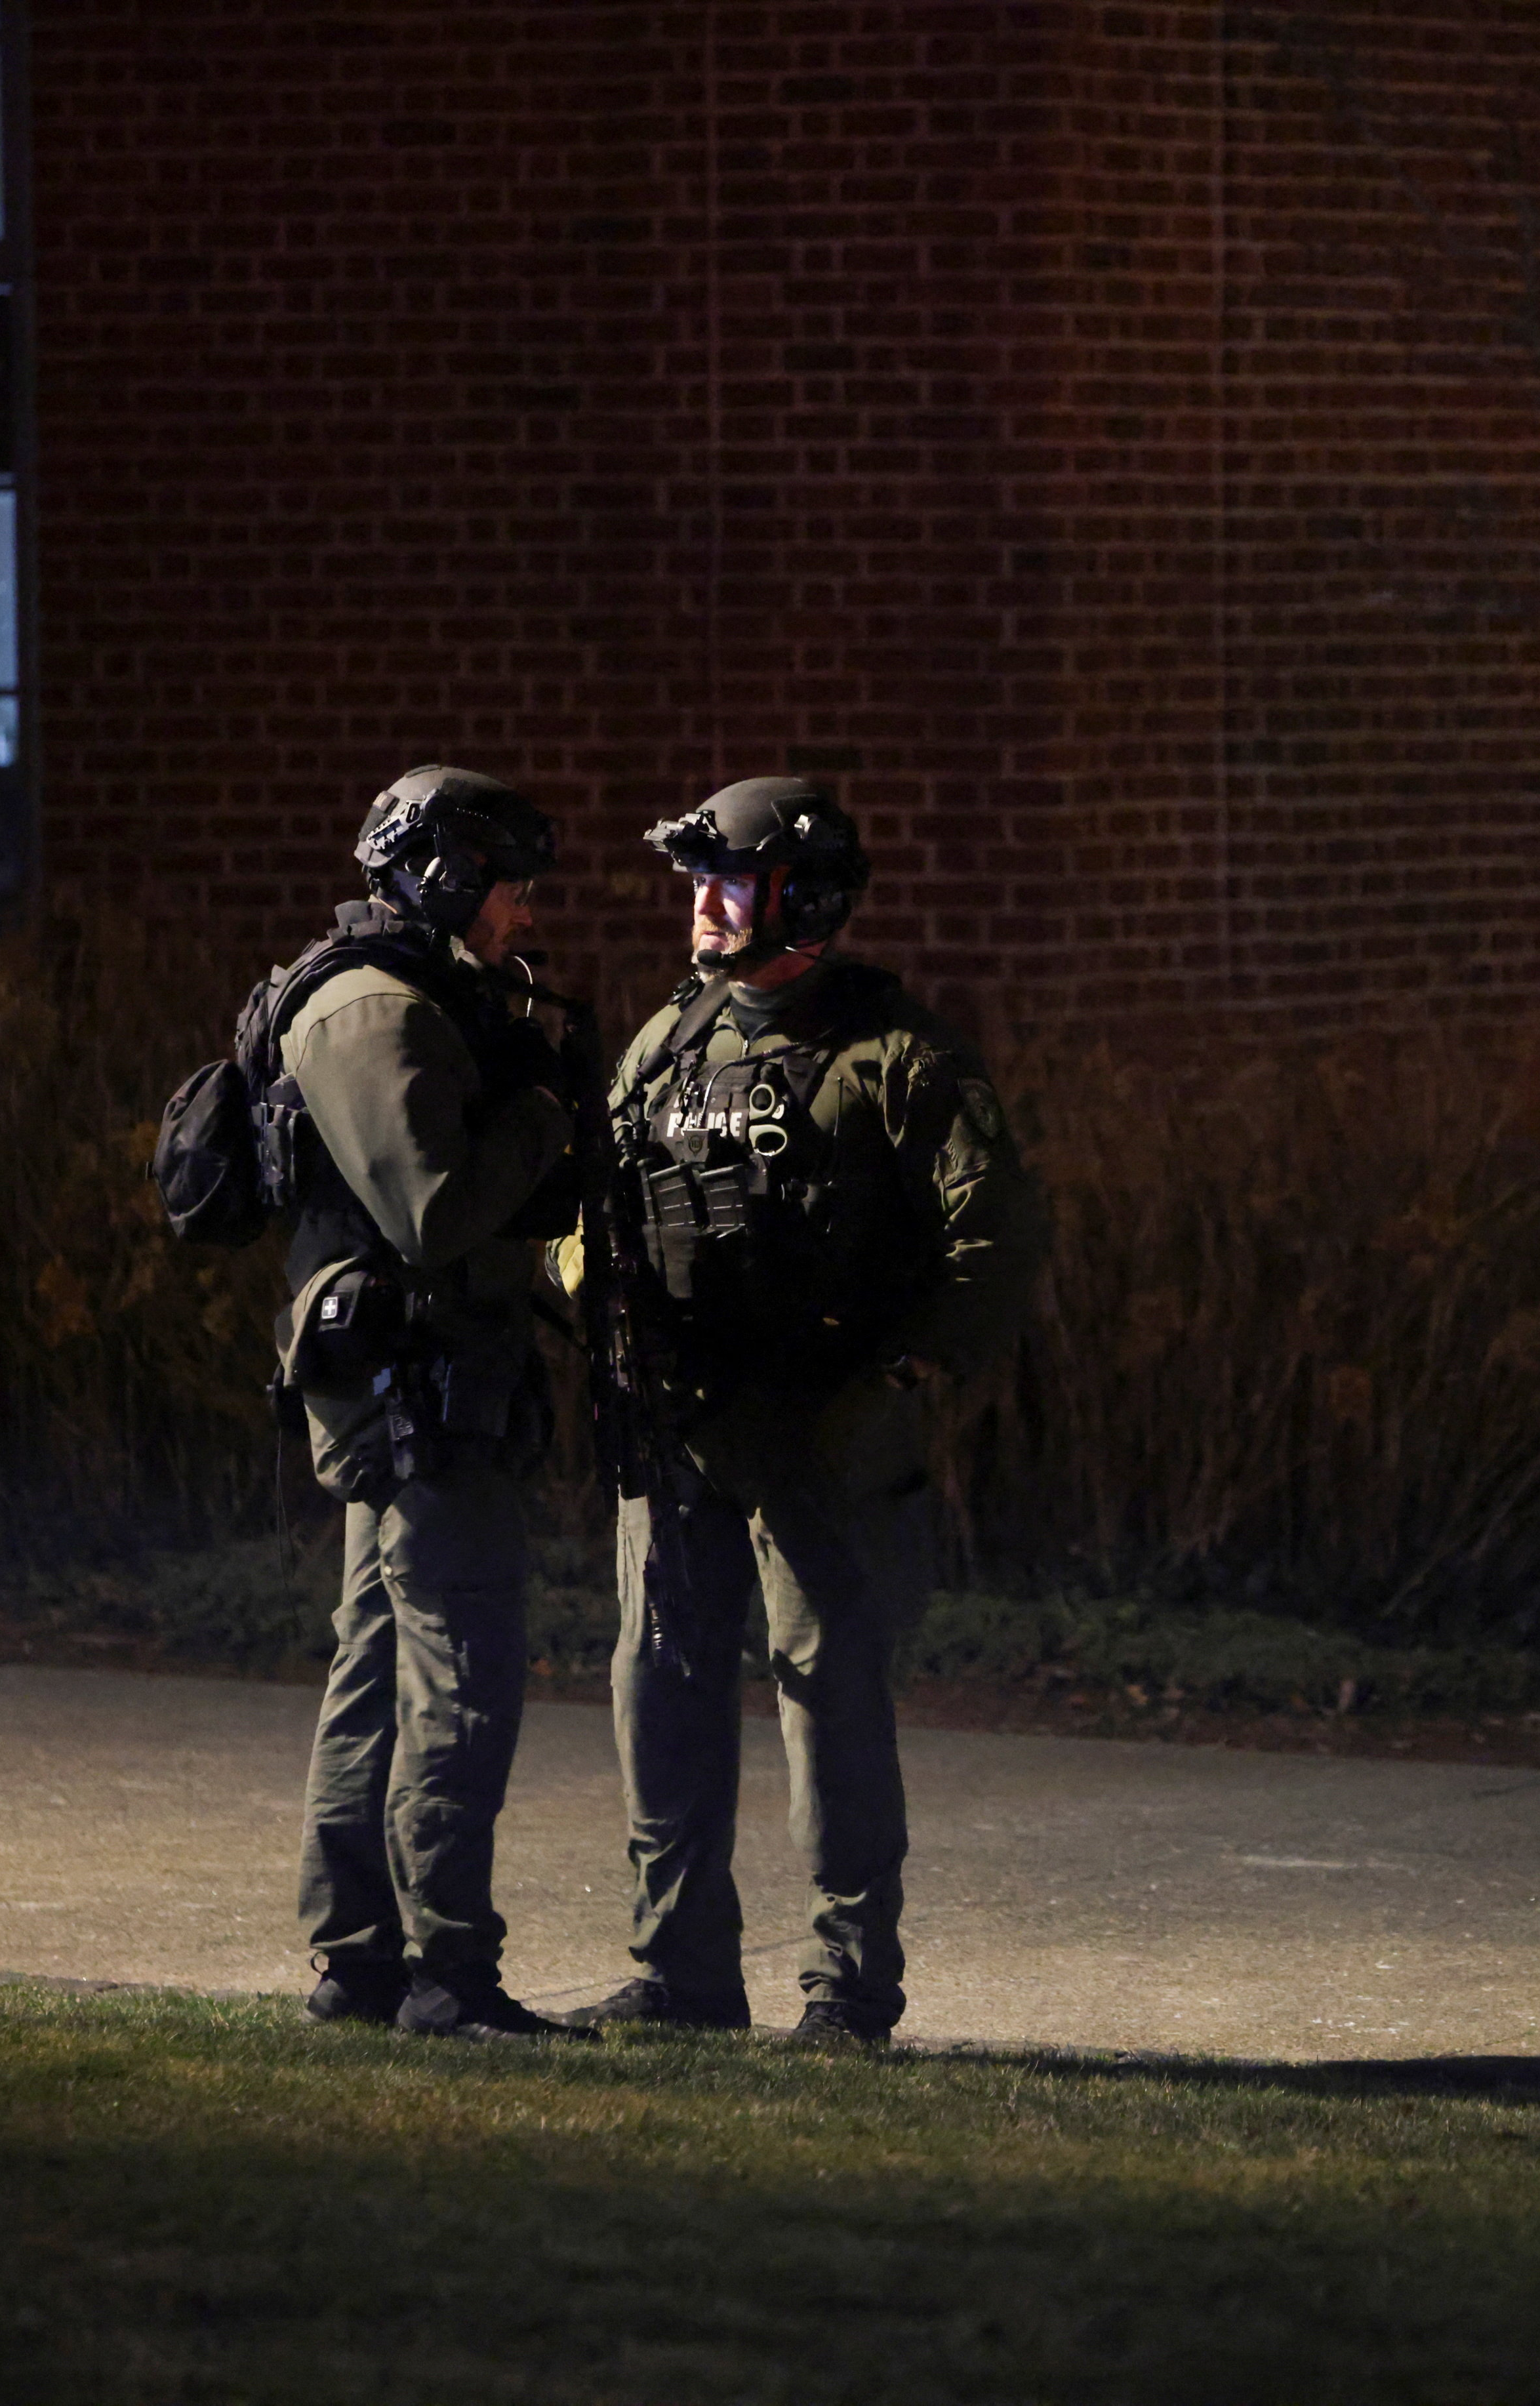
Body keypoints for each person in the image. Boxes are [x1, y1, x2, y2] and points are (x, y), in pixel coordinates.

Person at [561, 778, 1047, 2045]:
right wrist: (586, 1278)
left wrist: (905, 1376)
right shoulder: (667, 1040)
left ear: (806, 898)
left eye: (731, 881)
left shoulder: (895, 1055)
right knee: (658, 1687)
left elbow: (994, 1236)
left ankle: (848, 1985)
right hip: (675, 1428)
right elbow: (587, 1204)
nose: (705, 905)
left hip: (823, 1436)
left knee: (828, 1703)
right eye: (700, 882)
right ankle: (681, 1973)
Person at [274, 765, 589, 2041]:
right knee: (462, 1675)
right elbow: (434, 1212)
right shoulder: (372, 1010)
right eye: (510, 887)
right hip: (417, 1393)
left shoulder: (416, 995)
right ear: (446, 875)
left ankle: (358, 1965)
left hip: (423, 1384)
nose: (526, 913)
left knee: (376, 1666)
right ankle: (448, 1973)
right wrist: (542, 1112)